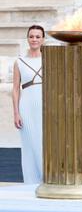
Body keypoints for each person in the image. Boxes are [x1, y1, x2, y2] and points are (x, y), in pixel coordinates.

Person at [12, 25, 45, 184]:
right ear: (27, 39)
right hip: (27, 105)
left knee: (44, 141)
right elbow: (15, 89)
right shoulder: (19, 62)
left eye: (38, 36)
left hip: (44, 105)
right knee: (29, 143)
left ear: (43, 39)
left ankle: (47, 179)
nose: (34, 39)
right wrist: (16, 112)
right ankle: (31, 181)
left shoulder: (48, 60)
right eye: (31, 36)